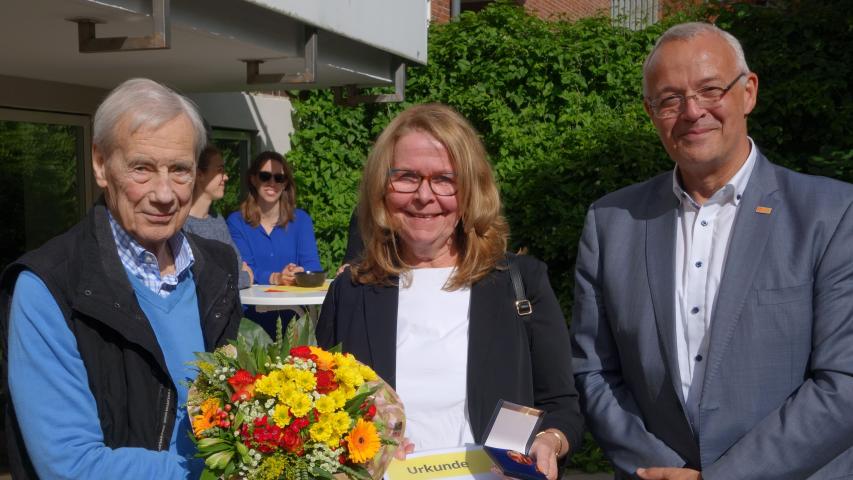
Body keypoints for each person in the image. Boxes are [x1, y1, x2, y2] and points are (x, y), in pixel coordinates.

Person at [571, 22, 853, 479]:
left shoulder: (833, 215)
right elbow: (593, 372)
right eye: (669, 99)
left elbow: (844, 381)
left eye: (710, 90)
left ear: (748, 92)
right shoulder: (612, 223)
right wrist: (659, 468)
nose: (692, 111)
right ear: (650, 111)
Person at [316, 103, 583, 480]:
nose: (425, 196)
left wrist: (550, 440)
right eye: (406, 177)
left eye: (445, 179)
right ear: (382, 186)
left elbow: (561, 406)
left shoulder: (520, 282)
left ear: (471, 188)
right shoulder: (353, 291)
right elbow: (322, 412)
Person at [0, 78, 243, 479]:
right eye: (142, 169)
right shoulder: (49, 287)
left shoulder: (216, 268)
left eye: (180, 170)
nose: (164, 194)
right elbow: (72, 467)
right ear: (100, 164)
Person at [226, 150, 321, 287]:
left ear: (285, 184)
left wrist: (298, 273)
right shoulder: (236, 222)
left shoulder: (301, 220)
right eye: (265, 176)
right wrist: (275, 278)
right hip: (252, 306)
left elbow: (313, 267)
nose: (272, 183)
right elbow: (243, 269)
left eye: (279, 178)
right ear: (253, 179)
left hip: (292, 306)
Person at [184, 144, 253, 289]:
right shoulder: (182, 224)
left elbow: (237, 264)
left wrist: (237, 274)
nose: (226, 177)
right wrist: (246, 278)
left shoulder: (217, 220)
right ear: (200, 175)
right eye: (220, 171)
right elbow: (204, 282)